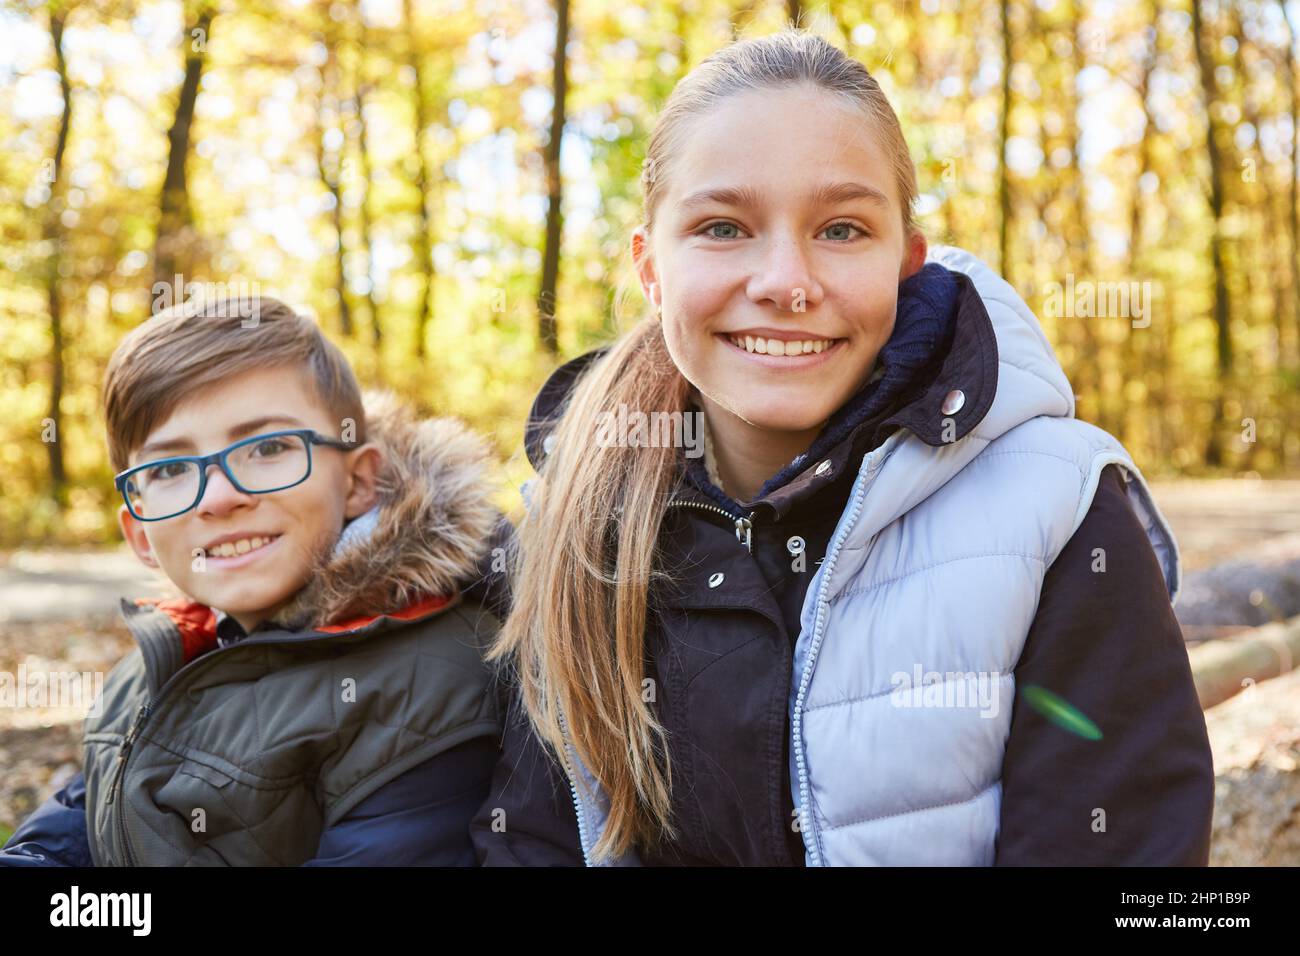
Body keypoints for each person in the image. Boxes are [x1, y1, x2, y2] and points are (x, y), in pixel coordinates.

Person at [470, 28, 1214, 866]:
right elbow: (529, 841)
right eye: (722, 226)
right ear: (651, 269)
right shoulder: (574, 530)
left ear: (906, 260)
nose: (787, 280)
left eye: (842, 229)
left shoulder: (1060, 514)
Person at [2, 295, 506, 866]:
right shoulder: (158, 663)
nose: (219, 498)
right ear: (139, 533)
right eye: (169, 469)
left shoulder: (425, 685)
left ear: (359, 481)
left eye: (268, 448)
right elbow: (84, 815)